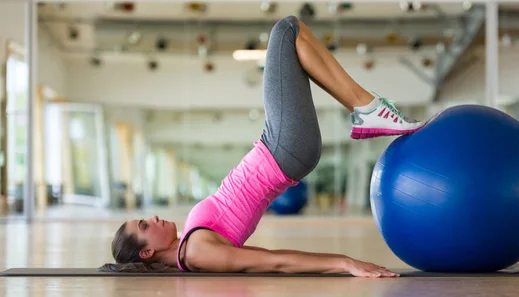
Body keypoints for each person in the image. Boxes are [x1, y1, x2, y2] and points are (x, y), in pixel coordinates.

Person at [107, 16, 423, 278]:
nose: (154, 218)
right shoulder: (196, 252)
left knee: (293, 35)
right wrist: (345, 263)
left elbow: (264, 257)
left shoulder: (188, 246)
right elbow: (274, 260)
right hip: (282, 150)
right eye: (145, 225)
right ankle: (366, 109)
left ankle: (365, 109)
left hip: (279, 148)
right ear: (147, 251)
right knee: (286, 30)